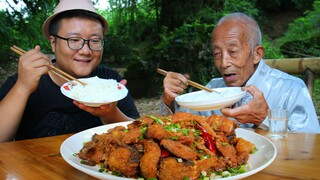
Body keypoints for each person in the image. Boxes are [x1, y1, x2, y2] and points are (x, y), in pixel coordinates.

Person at [0, 0, 140, 142]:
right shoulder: (26, 80)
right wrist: (22, 87)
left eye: (95, 41)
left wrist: (110, 113)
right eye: (74, 40)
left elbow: (138, 134)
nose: (85, 50)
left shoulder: (110, 82)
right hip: (35, 163)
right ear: (53, 43)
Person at [160, 12, 320, 133]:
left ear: (257, 54)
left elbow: (310, 148)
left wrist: (264, 119)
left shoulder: (291, 90)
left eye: (233, 51)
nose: (223, 63)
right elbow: (177, 128)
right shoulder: (212, 89)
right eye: (217, 54)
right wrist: (169, 100)